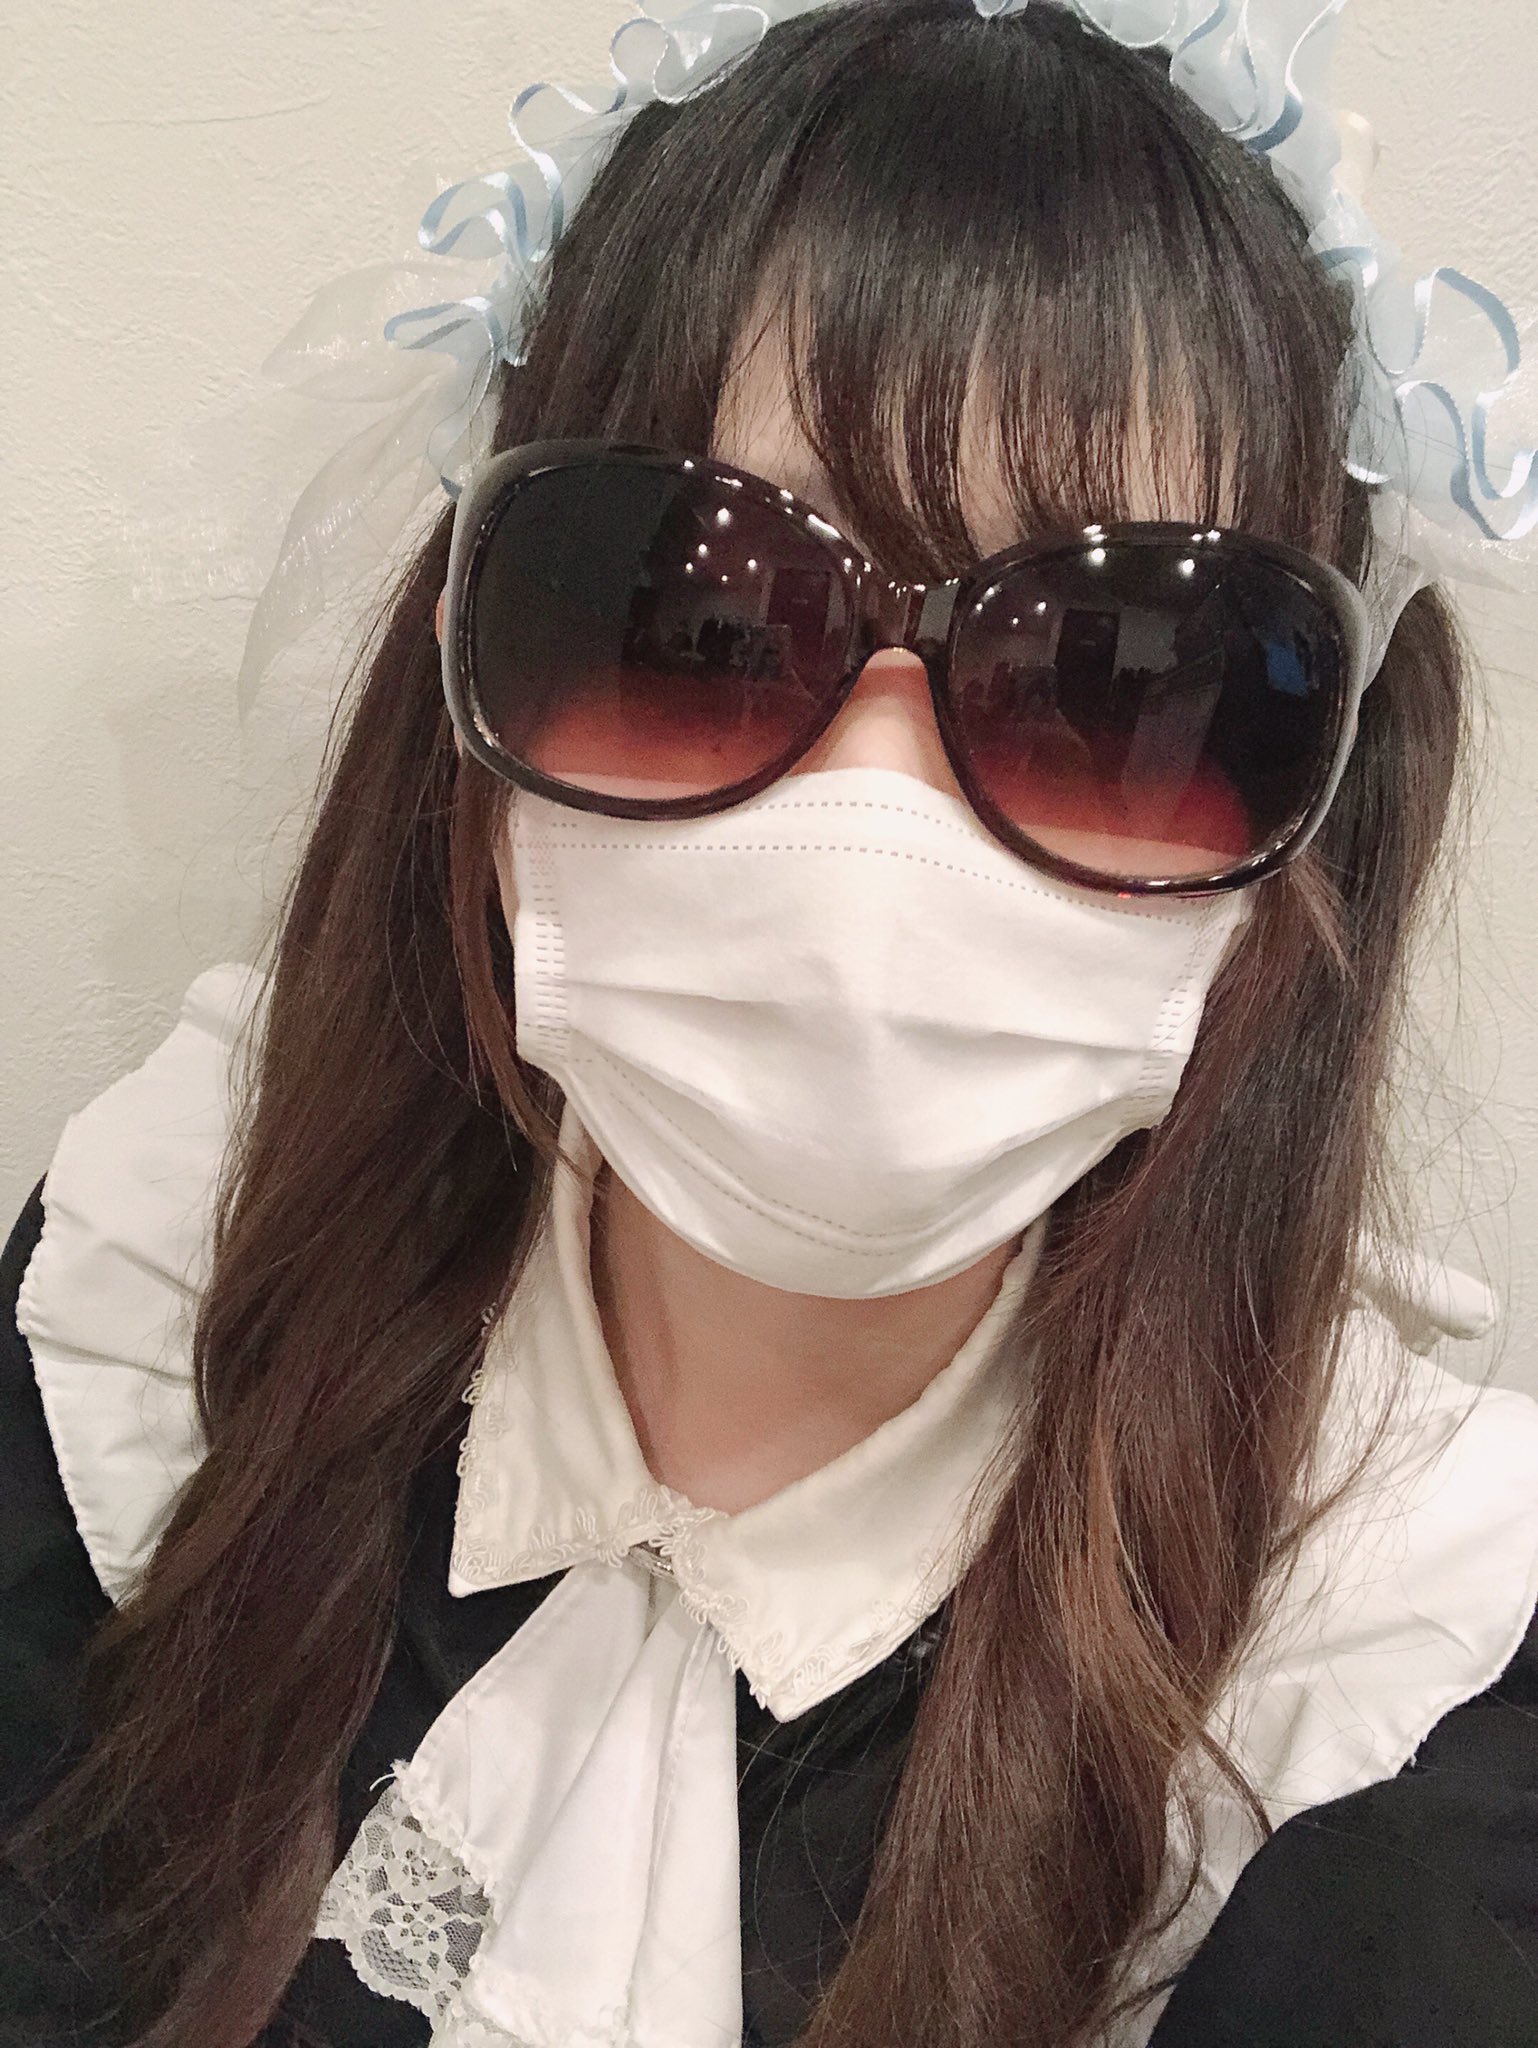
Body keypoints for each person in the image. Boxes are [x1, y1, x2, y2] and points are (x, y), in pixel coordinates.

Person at [3, 2, 1537, 2045]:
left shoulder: (1381, 1684)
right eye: (690, 620)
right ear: (469, 662)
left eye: (1122, 677)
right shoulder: (172, 1287)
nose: (872, 826)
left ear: (1313, 804)